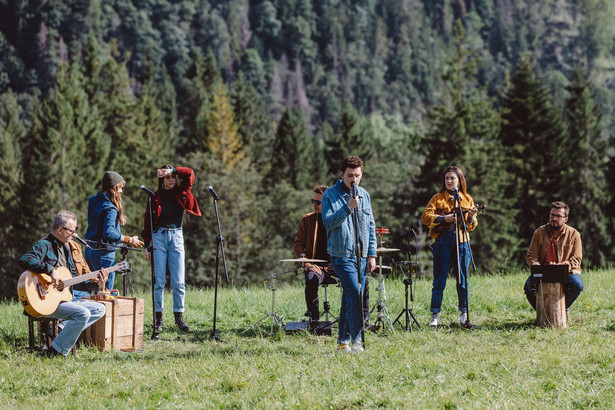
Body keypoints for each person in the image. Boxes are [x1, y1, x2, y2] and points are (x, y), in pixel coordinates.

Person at [19, 210, 108, 357]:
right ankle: (55, 352)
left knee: (100, 309)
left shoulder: (67, 249)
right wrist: (50, 270)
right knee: (83, 313)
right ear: (60, 230)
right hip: (44, 301)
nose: (74, 235)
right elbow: (25, 260)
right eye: (72, 231)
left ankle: (60, 332)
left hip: (64, 300)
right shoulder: (45, 245)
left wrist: (98, 285)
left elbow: (73, 281)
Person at [322, 156, 377, 353]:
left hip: (361, 255)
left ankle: (342, 342)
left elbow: (370, 226)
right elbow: (328, 223)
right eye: (350, 175)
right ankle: (357, 340)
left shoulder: (364, 195)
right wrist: (347, 208)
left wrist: (372, 254)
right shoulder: (330, 194)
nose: (354, 179)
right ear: (341, 174)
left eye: (358, 175)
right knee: (355, 291)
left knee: (349, 296)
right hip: (340, 254)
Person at [293, 185, 370, 324]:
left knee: (361, 278)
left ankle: (363, 319)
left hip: (339, 263)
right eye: (313, 201)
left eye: (318, 202)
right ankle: (314, 320)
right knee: (311, 279)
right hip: (317, 266)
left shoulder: (340, 217)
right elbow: (298, 244)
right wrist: (307, 263)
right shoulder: (307, 220)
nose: (314, 205)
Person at [142, 165, 201, 332]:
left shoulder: (182, 192)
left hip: (176, 237)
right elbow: (148, 221)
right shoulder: (154, 197)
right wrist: (147, 244)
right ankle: (158, 319)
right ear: (162, 180)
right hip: (159, 237)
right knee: (159, 282)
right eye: (167, 177)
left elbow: (189, 173)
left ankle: (179, 318)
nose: (170, 180)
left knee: (179, 281)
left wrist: (173, 170)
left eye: (173, 177)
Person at [422, 166, 478, 327]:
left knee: (463, 280)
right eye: (447, 178)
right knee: (439, 280)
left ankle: (463, 313)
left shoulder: (466, 199)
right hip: (443, 242)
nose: (449, 181)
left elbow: (472, 225)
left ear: (460, 181)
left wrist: (472, 217)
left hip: (462, 241)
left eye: (452, 178)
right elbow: (426, 217)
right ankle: (435, 315)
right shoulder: (437, 198)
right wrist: (443, 219)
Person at [85, 171, 143, 290]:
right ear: (113, 188)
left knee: (91, 288)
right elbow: (109, 233)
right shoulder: (110, 208)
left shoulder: (93, 200)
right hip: (103, 253)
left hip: (89, 250)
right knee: (104, 291)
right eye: (120, 188)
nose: (121, 191)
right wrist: (129, 239)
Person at [524, 201, 583, 310]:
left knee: (578, 284)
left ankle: (562, 309)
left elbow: (577, 259)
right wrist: (537, 266)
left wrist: (560, 266)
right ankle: (543, 311)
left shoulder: (574, 234)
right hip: (543, 271)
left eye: (558, 216)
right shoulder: (539, 232)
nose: (554, 218)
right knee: (528, 287)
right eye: (552, 215)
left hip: (566, 272)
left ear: (566, 218)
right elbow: (531, 255)